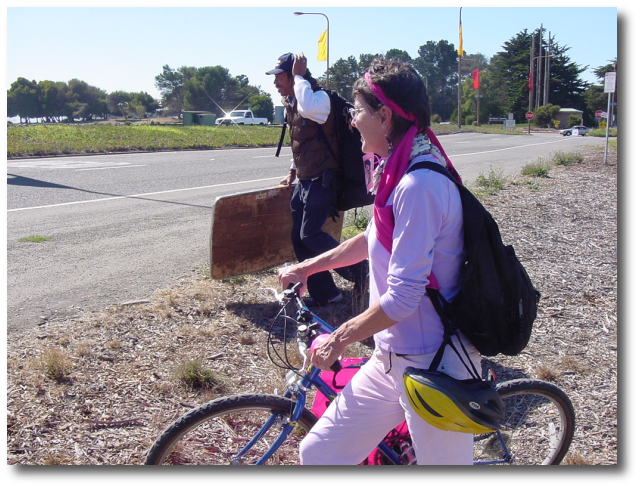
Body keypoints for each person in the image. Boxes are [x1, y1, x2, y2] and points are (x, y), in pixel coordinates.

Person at [277, 57, 482, 465]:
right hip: (390, 358)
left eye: (358, 111)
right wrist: (308, 267)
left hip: (433, 366)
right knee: (319, 453)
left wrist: (340, 337)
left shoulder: (419, 183)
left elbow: (405, 298)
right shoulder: (398, 168)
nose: (352, 121)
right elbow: (375, 239)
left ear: (384, 116)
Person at [266, 52, 368, 307]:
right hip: (305, 180)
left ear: (294, 75)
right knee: (298, 238)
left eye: (280, 76)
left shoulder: (317, 98)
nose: (275, 82)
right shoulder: (294, 100)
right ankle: (326, 294)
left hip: (324, 179)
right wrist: (293, 169)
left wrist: (301, 76)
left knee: (311, 234)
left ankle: (364, 274)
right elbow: (305, 140)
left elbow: (310, 110)